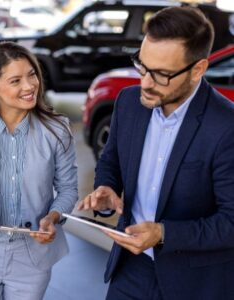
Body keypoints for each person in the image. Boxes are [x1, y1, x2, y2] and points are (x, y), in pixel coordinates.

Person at [78, 6, 234, 300]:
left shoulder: (226, 127)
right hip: (129, 271)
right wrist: (106, 188)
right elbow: (111, 159)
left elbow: (231, 222)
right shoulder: (127, 102)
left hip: (194, 284)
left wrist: (163, 233)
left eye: (161, 74)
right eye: (143, 65)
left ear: (198, 69)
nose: (145, 83)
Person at [0, 41, 78, 300]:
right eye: (16, 80)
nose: (30, 86)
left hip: (32, 260)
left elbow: (68, 189)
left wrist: (52, 217)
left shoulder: (58, 130)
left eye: (32, 75)